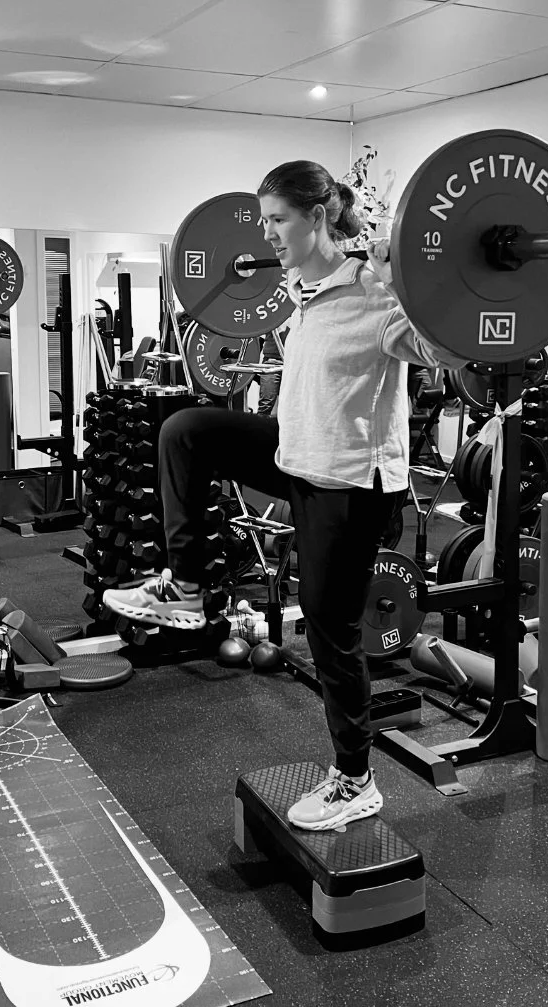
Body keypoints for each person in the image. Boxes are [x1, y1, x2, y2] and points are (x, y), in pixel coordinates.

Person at [103, 160, 457, 831]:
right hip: (296, 454)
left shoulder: (375, 297)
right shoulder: (302, 285)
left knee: (330, 634)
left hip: (349, 484)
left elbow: (444, 351)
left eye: (276, 219)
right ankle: (187, 582)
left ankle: (355, 779)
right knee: (185, 430)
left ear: (316, 217)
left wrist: (410, 279)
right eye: (262, 219)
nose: (265, 233)